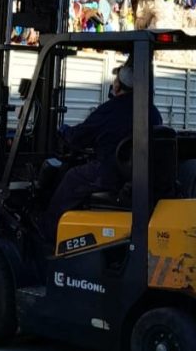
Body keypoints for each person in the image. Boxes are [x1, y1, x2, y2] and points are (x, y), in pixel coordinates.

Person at [44, 62, 163, 238]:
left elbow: (79, 137)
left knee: (72, 177)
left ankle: (47, 233)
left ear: (119, 85)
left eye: (115, 79)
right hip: (137, 175)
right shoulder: (152, 111)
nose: (113, 82)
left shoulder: (111, 109)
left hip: (111, 173)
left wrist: (63, 130)